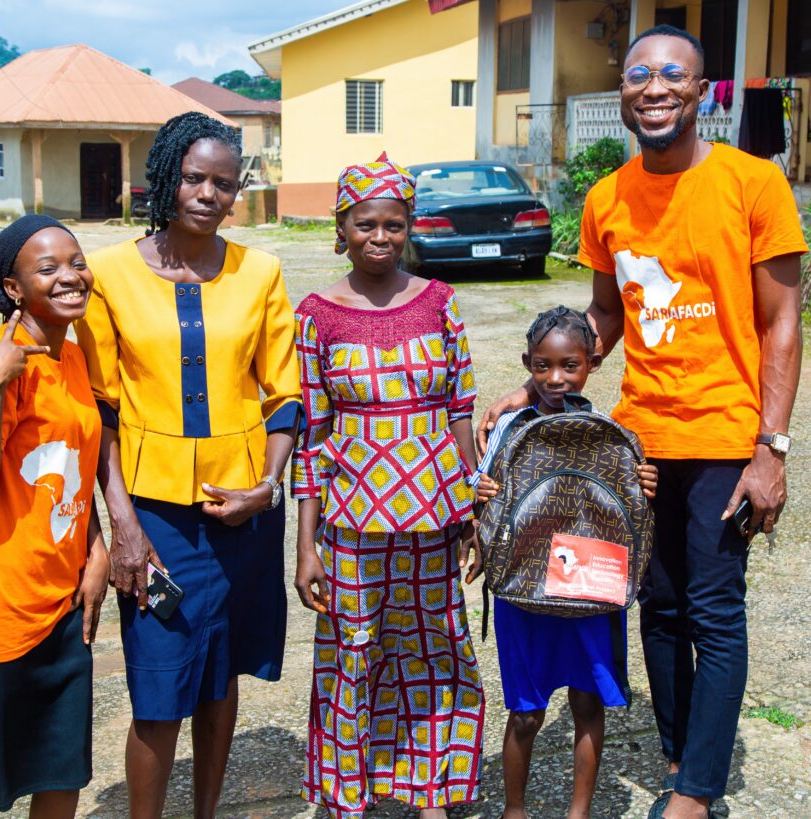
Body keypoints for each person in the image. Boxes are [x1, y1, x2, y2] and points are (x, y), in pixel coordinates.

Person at [478, 25, 806, 819]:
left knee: (714, 607)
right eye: (638, 75)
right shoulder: (607, 198)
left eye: (672, 75)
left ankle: (696, 791)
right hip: (637, 443)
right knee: (654, 606)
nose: (654, 87)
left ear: (701, 91)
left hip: (725, 436)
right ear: (623, 93)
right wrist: (537, 387)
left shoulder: (753, 183)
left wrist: (771, 447)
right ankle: (679, 753)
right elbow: (604, 314)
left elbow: (783, 321)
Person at [74, 112, 302, 819]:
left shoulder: (260, 272)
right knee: (159, 680)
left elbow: (285, 394)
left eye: (223, 184)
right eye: (194, 178)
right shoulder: (109, 274)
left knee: (220, 670)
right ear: (165, 178)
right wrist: (123, 524)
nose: (208, 193)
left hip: (242, 512)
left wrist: (266, 487)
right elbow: (102, 409)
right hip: (153, 515)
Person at [291, 153, 485, 818]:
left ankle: (432, 792)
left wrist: (473, 510)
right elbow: (312, 434)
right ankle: (351, 794)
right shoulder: (316, 314)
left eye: (394, 225)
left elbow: (460, 412)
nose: (380, 237)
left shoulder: (440, 302)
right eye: (365, 224)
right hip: (350, 520)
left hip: (435, 514)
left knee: (436, 646)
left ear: (409, 226)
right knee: (352, 653)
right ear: (341, 227)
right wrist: (306, 546)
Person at [0, 215, 108, 818]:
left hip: (61, 600)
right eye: (48, 268)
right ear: (14, 288)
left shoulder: (73, 356)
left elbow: (68, 463)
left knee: (61, 770)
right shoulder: (0, 363)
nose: (70, 277)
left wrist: (96, 546)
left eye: (77, 263)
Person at [471, 306, 658, 819]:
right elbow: (481, 492)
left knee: (587, 703)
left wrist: (647, 485)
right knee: (524, 713)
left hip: (589, 593)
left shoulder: (611, 431)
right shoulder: (509, 428)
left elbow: (635, 513)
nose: (556, 379)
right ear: (527, 364)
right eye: (543, 366)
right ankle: (514, 810)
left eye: (570, 366)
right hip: (524, 593)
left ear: (593, 363)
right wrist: (479, 493)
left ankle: (579, 813)